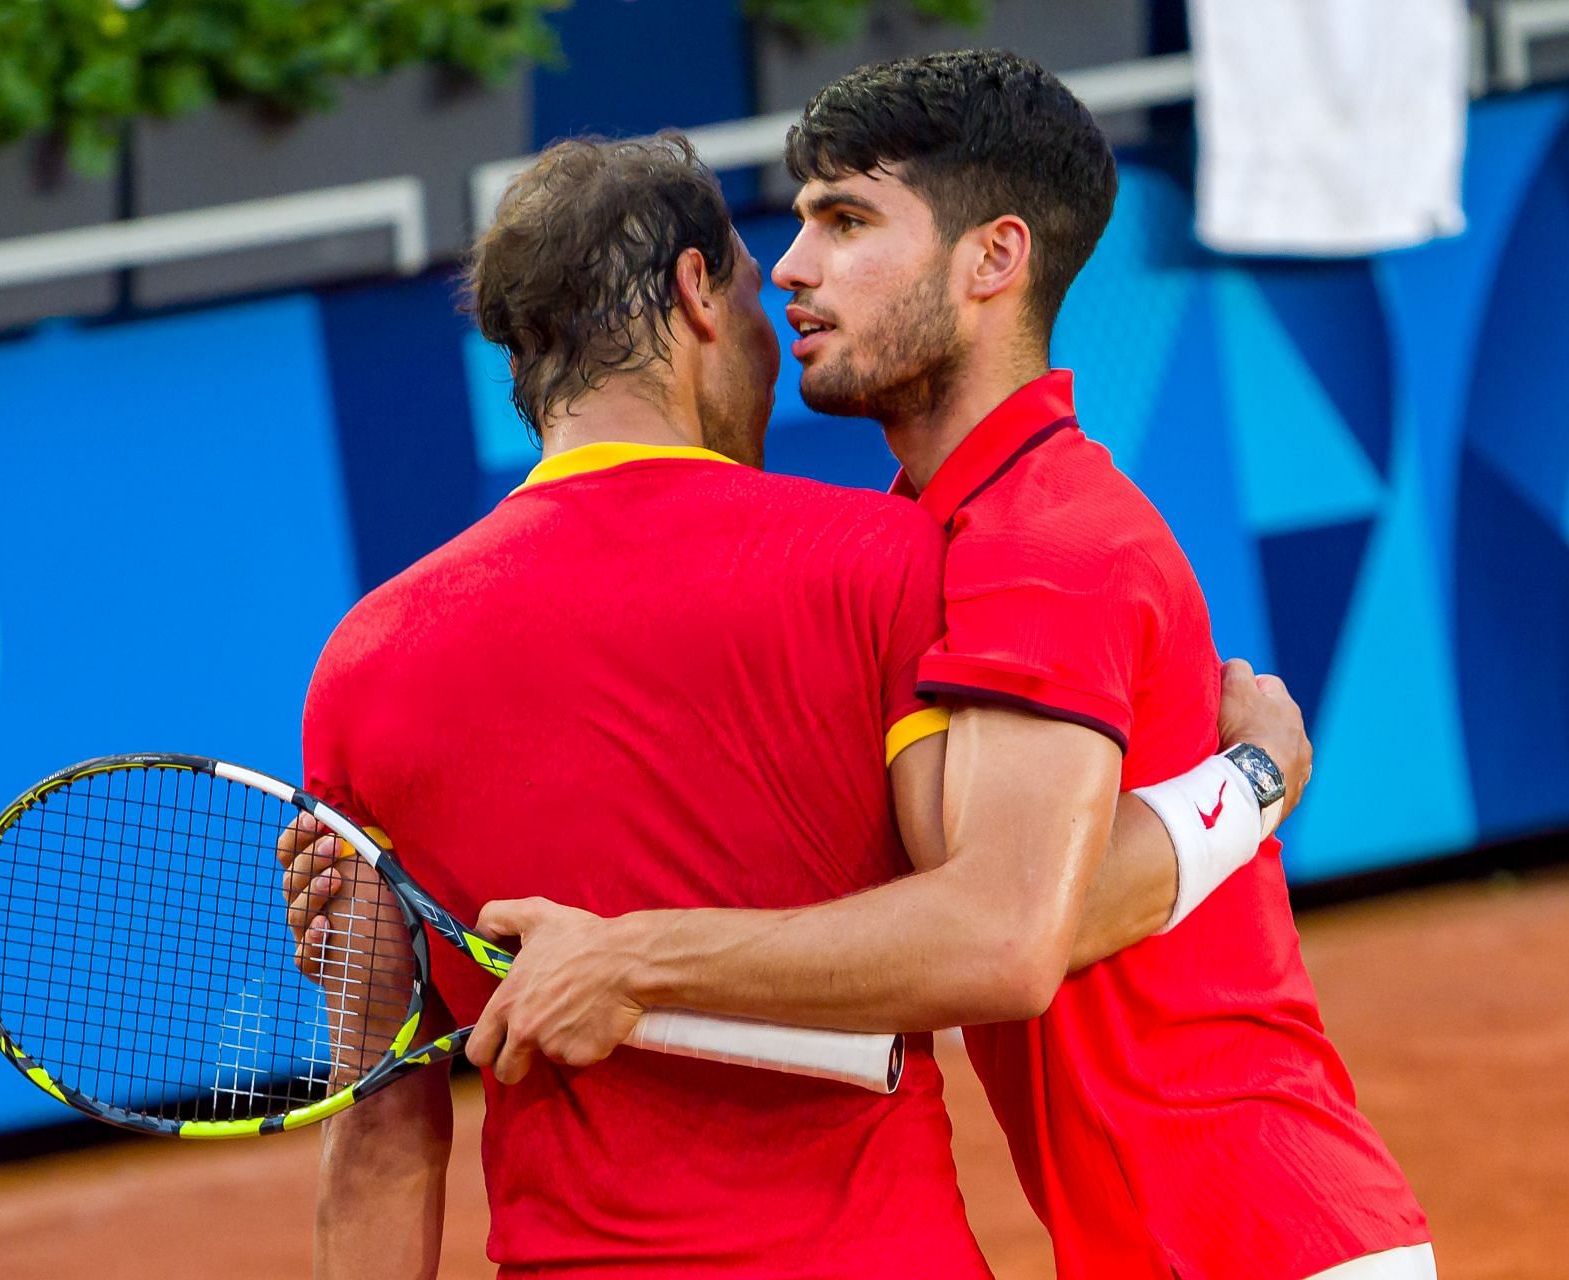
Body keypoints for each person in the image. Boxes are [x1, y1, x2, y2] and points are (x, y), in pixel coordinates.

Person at [470, 52, 1434, 1280]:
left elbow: (1009, 934)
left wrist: (629, 956)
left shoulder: (1045, 539)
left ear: (994, 260)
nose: (794, 268)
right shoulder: (939, 534)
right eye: (806, 219)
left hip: (1261, 1242)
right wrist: (1249, 781)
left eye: (849, 220)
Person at [288, 134, 1309, 1279]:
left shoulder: (363, 667)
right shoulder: (888, 565)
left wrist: (627, 959)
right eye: (752, 282)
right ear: (694, 297)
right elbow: (1018, 921)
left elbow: (379, 1122)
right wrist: (1247, 784)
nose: (783, 318)